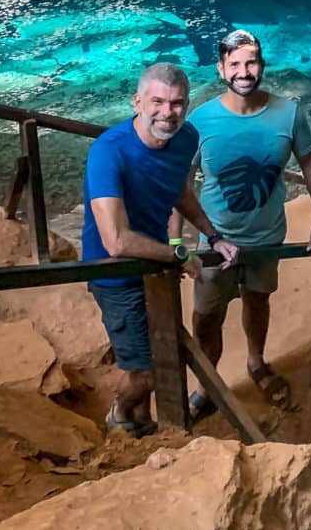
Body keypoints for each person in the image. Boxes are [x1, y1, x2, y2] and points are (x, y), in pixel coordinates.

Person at [169, 28, 311, 417]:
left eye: (251, 62)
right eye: (235, 64)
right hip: (213, 242)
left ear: (262, 65)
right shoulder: (200, 121)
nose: (244, 71)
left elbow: (309, 160)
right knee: (207, 316)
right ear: (222, 69)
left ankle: (256, 362)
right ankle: (210, 382)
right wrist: (175, 243)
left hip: (266, 239)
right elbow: (181, 183)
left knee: (258, 300)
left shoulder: (289, 113)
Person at [83, 62, 238, 437]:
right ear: (137, 102)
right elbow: (115, 240)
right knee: (149, 370)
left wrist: (212, 235)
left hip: (155, 266)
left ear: (187, 105)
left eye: (177, 104)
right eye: (157, 102)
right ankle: (119, 414)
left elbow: (177, 190)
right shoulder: (108, 152)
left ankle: (142, 424)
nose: (167, 113)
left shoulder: (185, 139)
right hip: (115, 273)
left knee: (160, 353)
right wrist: (179, 254)